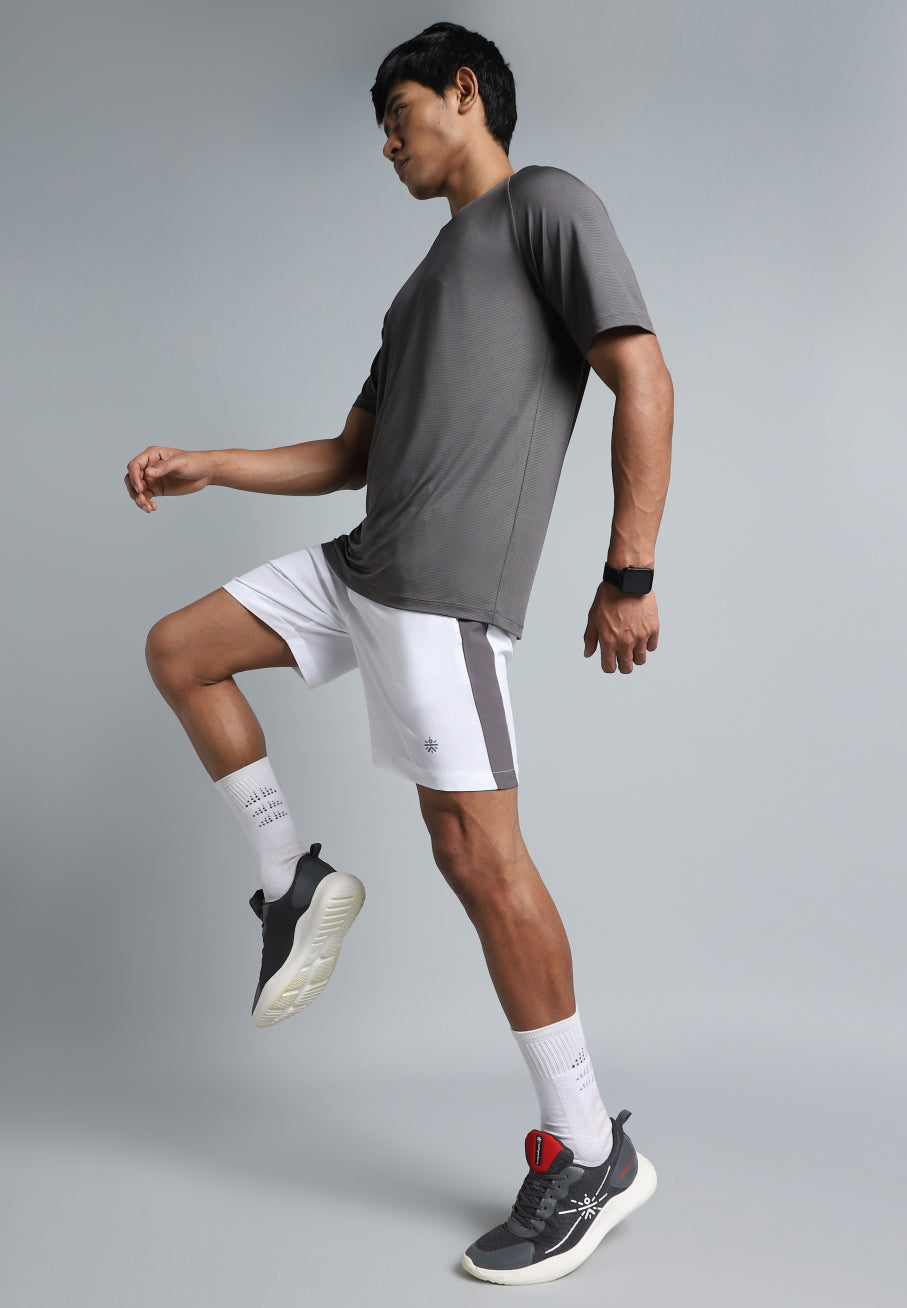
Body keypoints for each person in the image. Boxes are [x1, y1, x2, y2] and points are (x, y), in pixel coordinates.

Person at [124, 21, 673, 1286]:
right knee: (181, 650)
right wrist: (214, 463)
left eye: (398, 116)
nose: (386, 145)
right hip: (362, 563)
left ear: (463, 93)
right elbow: (349, 456)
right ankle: (291, 883)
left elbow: (642, 377)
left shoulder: (547, 206)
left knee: (479, 856)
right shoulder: (422, 284)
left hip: (439, 596)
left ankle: (591, 1150)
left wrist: (630, 570)